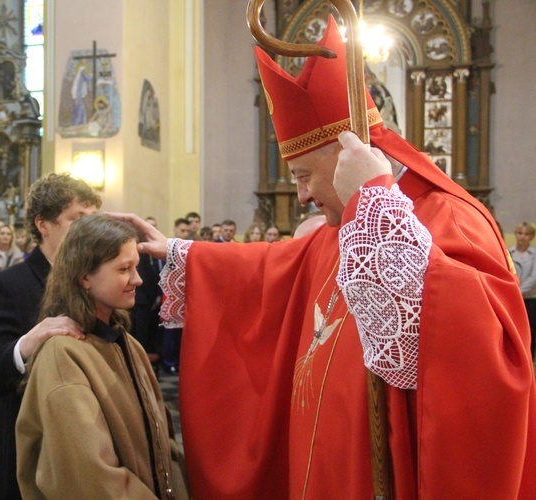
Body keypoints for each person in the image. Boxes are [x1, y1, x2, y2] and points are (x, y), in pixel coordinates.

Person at [113, 16, 536, 498]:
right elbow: (273, 269)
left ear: (349, 153)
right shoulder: (351, 229)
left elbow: (489, 358)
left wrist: (377, 206)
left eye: (304, 175)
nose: (303, 195)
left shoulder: (443, 218)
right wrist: (180, 252)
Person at [16, 215, 188, 499]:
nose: (138, 279)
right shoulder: (64, 356)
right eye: (124, 269)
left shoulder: (126, 343)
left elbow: (161, 439)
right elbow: (92, 480)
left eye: (135, 266)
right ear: (84, 276)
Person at [0, 173, 101, 500]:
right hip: (37, 447)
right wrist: (26, 343)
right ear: (44, 224)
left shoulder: (97, 280)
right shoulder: (8, 286)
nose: (88, 230)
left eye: (92, 220)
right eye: (76, 219)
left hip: (93, 439)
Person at [509, 221, 536, 359]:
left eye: (526, 234)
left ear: (531, 236)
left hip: (529, 299)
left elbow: (533, 278)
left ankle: (529, 361)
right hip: (512, 299)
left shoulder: (534, 254)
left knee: (530, 332)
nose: (522, 237)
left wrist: (518, 291)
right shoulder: (509, 252)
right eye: (520, 233)